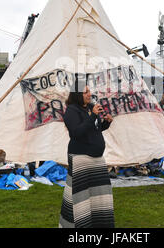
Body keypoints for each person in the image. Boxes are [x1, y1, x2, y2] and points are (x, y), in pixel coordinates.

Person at [59, 85, 115, 228]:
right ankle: (79, 224)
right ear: (78, 94)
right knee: (80, 197)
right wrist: (92, 116)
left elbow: (94, 128)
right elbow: (76, 132)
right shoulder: (72, 111)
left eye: (89, 91)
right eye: (86, 92)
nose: (90, 94)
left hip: (96, 159)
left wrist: (105, 123)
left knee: (99, 194)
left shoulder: (90, 107)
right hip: (80, 158)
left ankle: (97, 222)